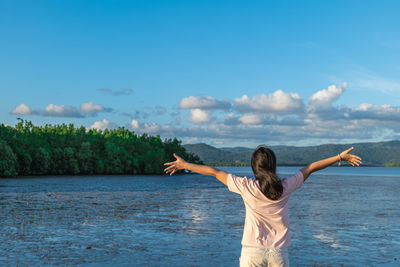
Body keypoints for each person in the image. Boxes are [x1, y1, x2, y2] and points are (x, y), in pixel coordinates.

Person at [164, 146, 362, 267]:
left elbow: (215, 172)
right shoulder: (286, 186)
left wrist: (186, 165)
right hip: (279, 254)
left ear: (254, 167)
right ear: (273, 165)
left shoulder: (246, 186)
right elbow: (311, 167)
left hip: (252, 252)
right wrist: (339, 157)